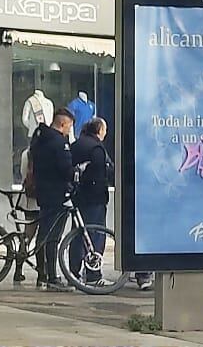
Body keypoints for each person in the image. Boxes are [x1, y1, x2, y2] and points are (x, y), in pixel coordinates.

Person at [69, 118, 122, 291]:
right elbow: (104, 171)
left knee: (77, 235)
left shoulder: (76, 145)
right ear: (99, 130)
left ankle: (73, 273)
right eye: (105, 129)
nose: (106, 133)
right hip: (95, 198)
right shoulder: (97, 148)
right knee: (96, 235)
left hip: (78, 197)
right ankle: (93, 274)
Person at [28, 109, 77, 290]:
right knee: (53, 237)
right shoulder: (59, 142)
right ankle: (52, 277)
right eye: (69, 127)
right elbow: (66, 169)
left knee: (43, 234)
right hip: (57, 194)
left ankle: (42, 275)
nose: (69, 131)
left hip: (43, 192)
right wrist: (76, 173)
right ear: (63, 124)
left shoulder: (40, 139)